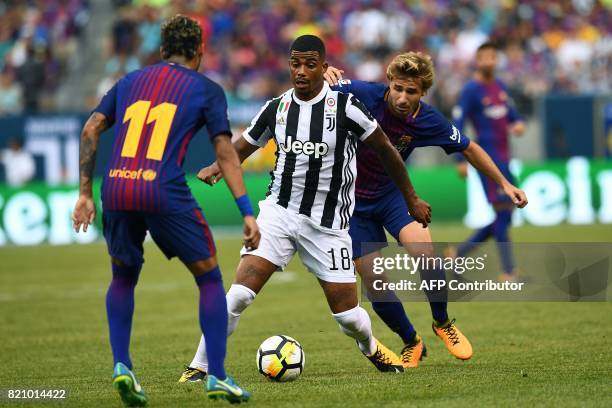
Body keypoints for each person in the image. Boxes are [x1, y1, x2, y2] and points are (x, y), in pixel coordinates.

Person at [179, 34, 432, 382]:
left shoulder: (346, 108)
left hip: (327, 226)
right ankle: (199, 366)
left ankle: (371, 346)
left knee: (348, 318)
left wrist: (411, 198)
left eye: (310, 64)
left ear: (323, 68)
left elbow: (387, 150)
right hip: (278, 214)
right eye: (295, 63)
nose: (301, 71)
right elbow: (245, 144)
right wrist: (217, 166)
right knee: (237, 295)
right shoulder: (277, 107)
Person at [71, 15, 258, 406]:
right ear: (200, 51)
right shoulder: (206, 89)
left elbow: (91, 128)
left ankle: (122, 366)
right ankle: (218, 376)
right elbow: (225, 152)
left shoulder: (130, 81)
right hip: (162, 189)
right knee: (209, 279)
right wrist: (245, 210)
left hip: (117, 186)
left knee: (122, 277)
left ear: (161, 50)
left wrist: (85, 193)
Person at [322, 51, 528, 367]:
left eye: (412, 91)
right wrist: (325, 73)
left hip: (394, 197)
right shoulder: (362, 93)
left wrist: (504, 184)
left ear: (423, 93)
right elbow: (312, 88)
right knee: (376, 286)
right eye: (398, 89)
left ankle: (443, 323)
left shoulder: (428, 119)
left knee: (427, 255)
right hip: (351, 205)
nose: (403, 98)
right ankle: (411, 341)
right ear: (388, 83)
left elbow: (470, 148)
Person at [452, 42, 527, 282]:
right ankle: (508, 271)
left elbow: (514, 117)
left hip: (505, 158)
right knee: (503, 211)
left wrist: (518, 124)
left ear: (497, 60)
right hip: (487, 160)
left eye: (492, 57)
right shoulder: (471, 90)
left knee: (505, 214)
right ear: (477, 61)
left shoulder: (500, 86)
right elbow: (459, 124)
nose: (488, 62)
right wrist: (459, 159)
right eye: (483, 57)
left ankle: (459, 254)